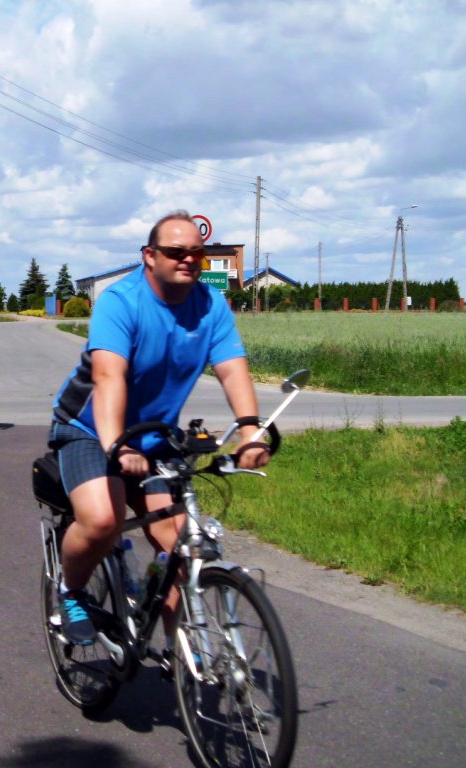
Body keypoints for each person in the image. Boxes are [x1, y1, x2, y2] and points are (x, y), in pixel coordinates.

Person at [49, 210, 270, 646]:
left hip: (153, 437)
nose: (187, 259)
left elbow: (232, 369)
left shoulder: (211, 305)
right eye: (175, 251)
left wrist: (250, 431)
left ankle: (182, 660)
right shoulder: (121, 301)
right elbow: (109, 376)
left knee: (180, 548)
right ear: (149, 256)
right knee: (102, 520)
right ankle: (70, 593)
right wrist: (116, 445)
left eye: (197, 253)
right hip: (91, 428)